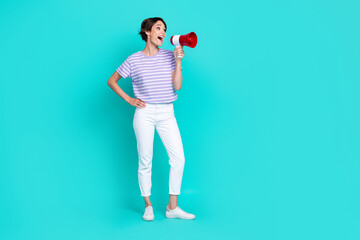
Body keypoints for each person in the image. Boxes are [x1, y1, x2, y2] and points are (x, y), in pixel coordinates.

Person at [107, 17, 195, 221]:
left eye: (164, 29)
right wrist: (129, 99)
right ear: (147, 32)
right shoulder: (133, 59)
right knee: (145, 160)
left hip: (167, 113)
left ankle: (172, 207)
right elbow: (112, 81)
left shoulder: (170, 55)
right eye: (158, 28)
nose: (163, 32)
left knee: (179, 159)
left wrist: (179, 61)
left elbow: (178, 86)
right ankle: (148, 205)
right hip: (144, 114)